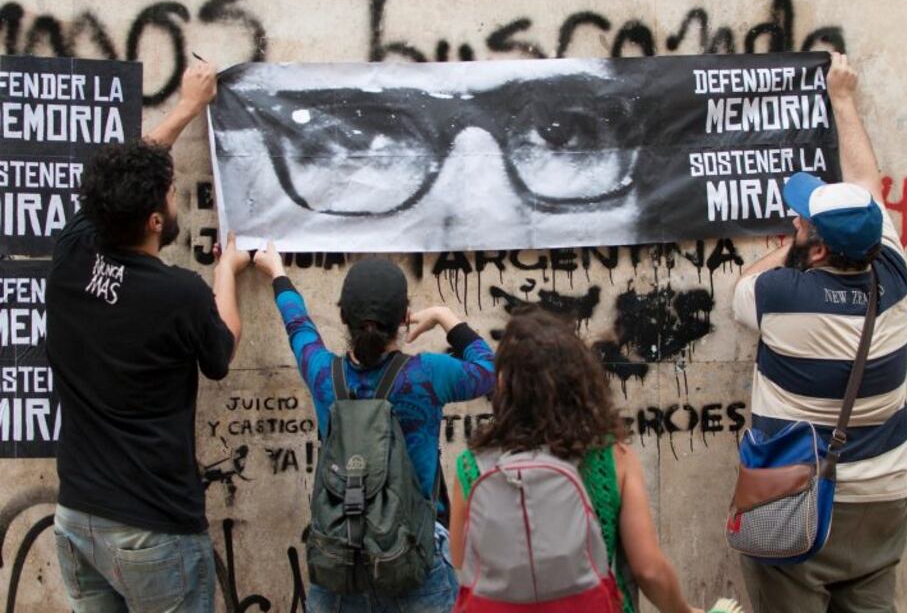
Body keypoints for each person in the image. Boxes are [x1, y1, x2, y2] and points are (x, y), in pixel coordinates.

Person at [46, 60, 251, 612]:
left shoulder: (70, 256)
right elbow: (222, 349)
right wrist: (226, 275)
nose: (175, 195)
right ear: (156, 220)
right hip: (152, 529)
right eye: (170, 192)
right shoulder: (179, 295)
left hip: (78, 519)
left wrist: (187, 107)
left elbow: (118, 182)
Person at [731, 52, 907, 612]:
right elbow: (866, 187)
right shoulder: (894, 279)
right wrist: (844, 99)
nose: (795, 222)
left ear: (818, 243)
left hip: (797, 497)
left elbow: (742, 283)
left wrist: (795, 245)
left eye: (803, 220)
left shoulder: (781, 295)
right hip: (883, 499)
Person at [251, 246, 496, 613]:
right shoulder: (427, 374)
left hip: (339, 560)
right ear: (405, 317)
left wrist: (277, 273)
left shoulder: (323, 375)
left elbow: (298, 327)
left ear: (342, 316)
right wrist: (445, 316)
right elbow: (487, 369)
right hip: (413, 557)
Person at [449, 307, 701, 613]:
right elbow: (648, 570)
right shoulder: (611, 455)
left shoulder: (471, 464)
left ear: (503, 385)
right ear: (578, 380)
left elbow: (461, 558)